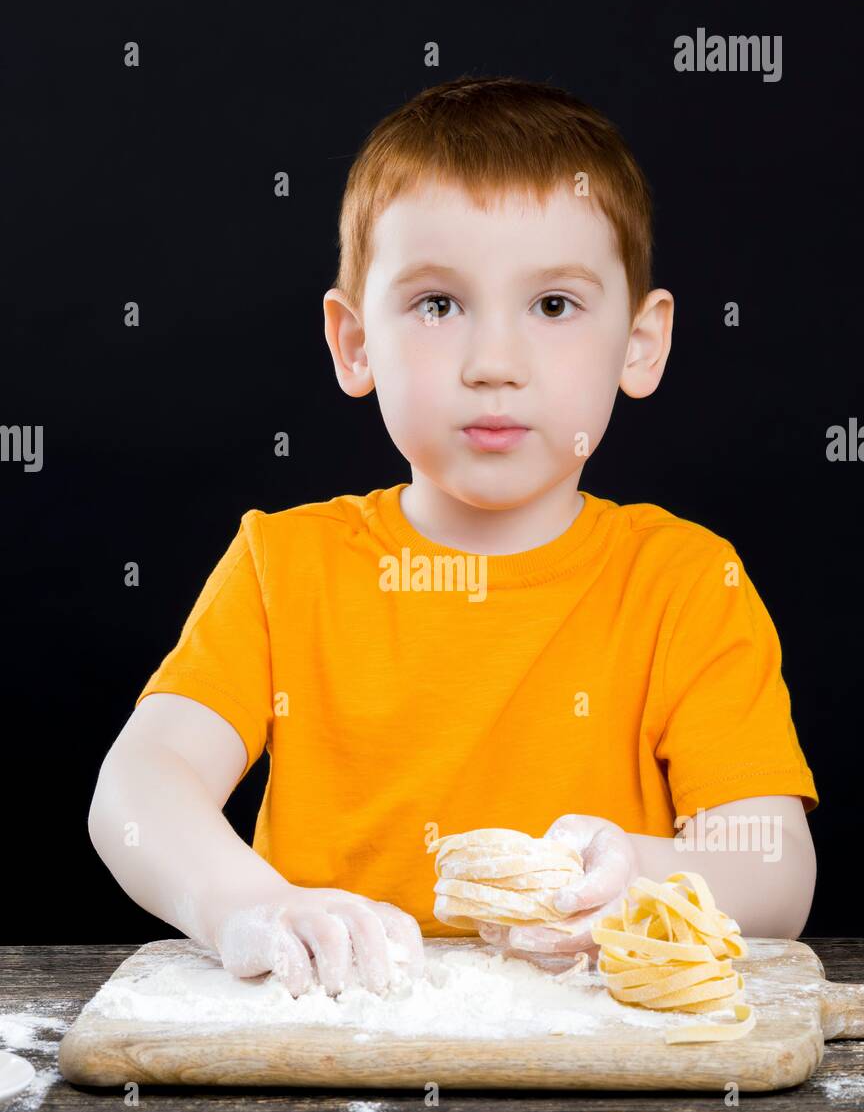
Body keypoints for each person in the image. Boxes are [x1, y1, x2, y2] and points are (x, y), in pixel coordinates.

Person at [88, 75, 818, 996]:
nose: (494, 366)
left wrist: (644, 872)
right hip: (322, 1062)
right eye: (439, 305)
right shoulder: (285, 568)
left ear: (641, 341)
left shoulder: (683, 582)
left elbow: (780, 868)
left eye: (553, 306)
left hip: (601, 1087)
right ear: (355, 343)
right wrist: (246, 902)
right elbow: (138, 791)